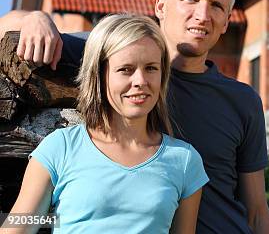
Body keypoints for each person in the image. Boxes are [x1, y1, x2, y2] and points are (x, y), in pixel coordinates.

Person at [0, 0, 269, 234]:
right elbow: (6, 25)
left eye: (216, 5)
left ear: (227, 21)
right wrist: (36, 17)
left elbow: (257, 211)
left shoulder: (242, 101)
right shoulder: (118, 51)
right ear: (160, 5)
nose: (203, 15)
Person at [0, 14, 208, 234]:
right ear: (100, 75)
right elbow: (19, 226)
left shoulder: (185, 161)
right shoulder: (59, 148)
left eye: (151, 68)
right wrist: (36, 16)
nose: (140, 81)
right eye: (125, 69)